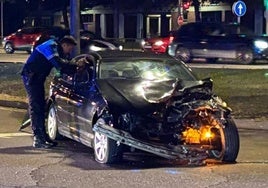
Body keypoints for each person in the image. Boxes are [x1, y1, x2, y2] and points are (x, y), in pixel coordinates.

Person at [21, 35, 85, 149]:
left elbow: (64, 66)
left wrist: (75, 68)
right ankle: (38, 139)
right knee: (36, 107)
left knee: (40, 106)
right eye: (69, 49)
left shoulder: (55, 47)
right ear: (64, 45)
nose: (69, 52)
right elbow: (59, 64)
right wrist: (76, 65)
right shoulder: (51, 46)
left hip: (37, 77)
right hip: (31, 77)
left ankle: (42, 137)